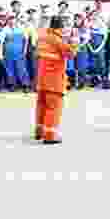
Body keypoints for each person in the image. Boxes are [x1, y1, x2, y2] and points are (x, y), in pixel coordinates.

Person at [34, 16, 78, 144]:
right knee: (53, 108)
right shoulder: (57, 40)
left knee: (41, 106)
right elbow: (71, 53)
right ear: (60, 27)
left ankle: (39, 131)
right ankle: (50, 135)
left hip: (42, 79)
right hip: (54, 80)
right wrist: (74, 40)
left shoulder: (42, 38)